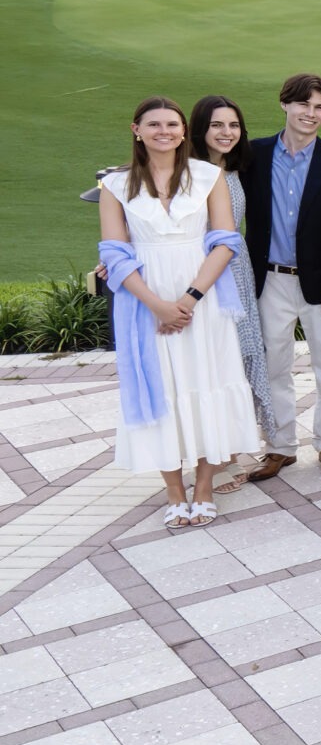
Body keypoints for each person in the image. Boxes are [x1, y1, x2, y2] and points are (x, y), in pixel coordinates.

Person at [101, 96, 262, 527]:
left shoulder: (210, 176)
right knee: (163, 390)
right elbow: (115, 255)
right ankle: (174, 491)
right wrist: (157, 305)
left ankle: (205, 486)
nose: (164, 131)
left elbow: (226, 242)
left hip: (203, 303)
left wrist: (188, 300)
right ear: (136, 130)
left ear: (183, 131)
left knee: (209, 380)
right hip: (145, 304)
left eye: (172, 124)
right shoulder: (115, 186)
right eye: (153, 125)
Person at [238, 74, 321, 481]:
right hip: (269, 279)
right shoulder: (252, 156)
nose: (311, 113)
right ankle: (279, 446)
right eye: (304, 104)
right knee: (274, 364)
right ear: (285, 104)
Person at [187, 95, 268, 496]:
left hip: (236, 274)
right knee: (210, 361)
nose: (226, 133)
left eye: (233, 126)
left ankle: (231, 449)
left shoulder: (235, 171)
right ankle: (212, 454)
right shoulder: (186, 174)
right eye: (217, 125)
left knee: (236, 361)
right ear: (199, 129)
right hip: (202, 276)